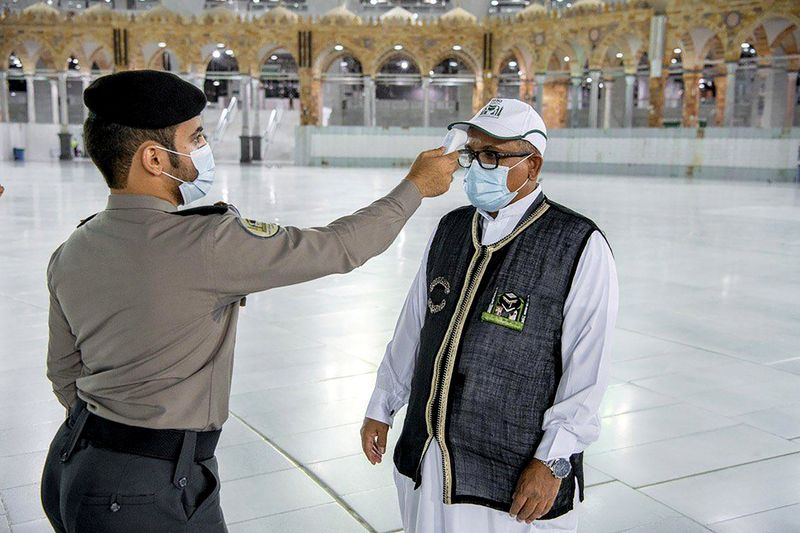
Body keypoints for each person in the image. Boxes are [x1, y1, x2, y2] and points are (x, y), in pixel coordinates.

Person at [40, 69, 458, 533]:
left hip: (74, 467)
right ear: (155, 158)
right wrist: (416, 186)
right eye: (195, 137)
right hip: (147, 491)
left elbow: (64, 373)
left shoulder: (72, 249)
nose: (203, 148)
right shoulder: (205, 244)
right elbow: (339, 246)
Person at [361, 98, 619, 533]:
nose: (478, 167)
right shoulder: (452, 228)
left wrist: (553, 460)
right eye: (473, 154)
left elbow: (587, 368)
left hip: (511, 475)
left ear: (532, 166)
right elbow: (414, 328)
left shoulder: (576, 243)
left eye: (493, 156)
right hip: (428, 457)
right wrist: (382, 403)